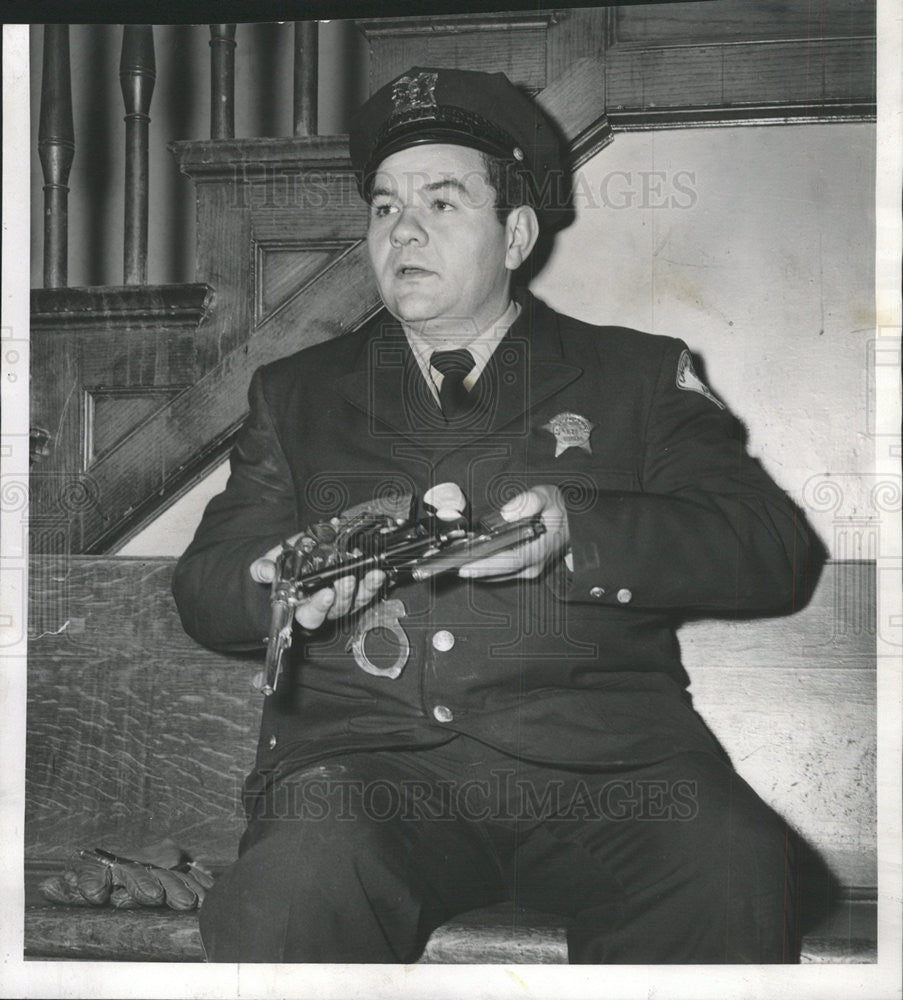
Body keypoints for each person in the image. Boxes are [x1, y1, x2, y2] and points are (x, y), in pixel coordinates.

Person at [172, 66, 817, 964]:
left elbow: (770, 548)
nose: (404, 231)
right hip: (371, 773)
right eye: (385, 208)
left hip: (604, 771)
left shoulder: (632, 375)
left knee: (730, 863)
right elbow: (204, 586)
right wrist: (281, 580)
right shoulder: (297, 394)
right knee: (294, 886)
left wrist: (576, 528)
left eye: (441, 204)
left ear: (514, 233)